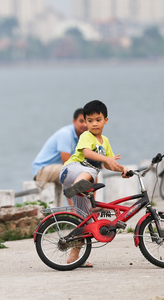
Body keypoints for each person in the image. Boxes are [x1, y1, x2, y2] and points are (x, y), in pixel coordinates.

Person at [59, 100, 129, 264]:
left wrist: (123, 170)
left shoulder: (104, 141)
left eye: (98, 119)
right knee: (91, 170)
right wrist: (105, 158)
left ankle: (75, 257)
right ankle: (79, 185)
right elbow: (87, 153)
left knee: (85, 221)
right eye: (89, 121)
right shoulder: (86, 136)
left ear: (106, 120)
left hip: (80, 181)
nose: (94, 124)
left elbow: (108, 163)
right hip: (71, 171)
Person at [31, 108, 87, 206]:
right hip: (42, 171)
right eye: (81, 121)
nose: (84, 125)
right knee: (70, 171)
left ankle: (92, 206)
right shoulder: (66, 134)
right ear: (74, 121)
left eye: (87, 122)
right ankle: (75, 210)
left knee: (92, 170)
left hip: (55, 169)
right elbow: (66, 161)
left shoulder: (83, 137)